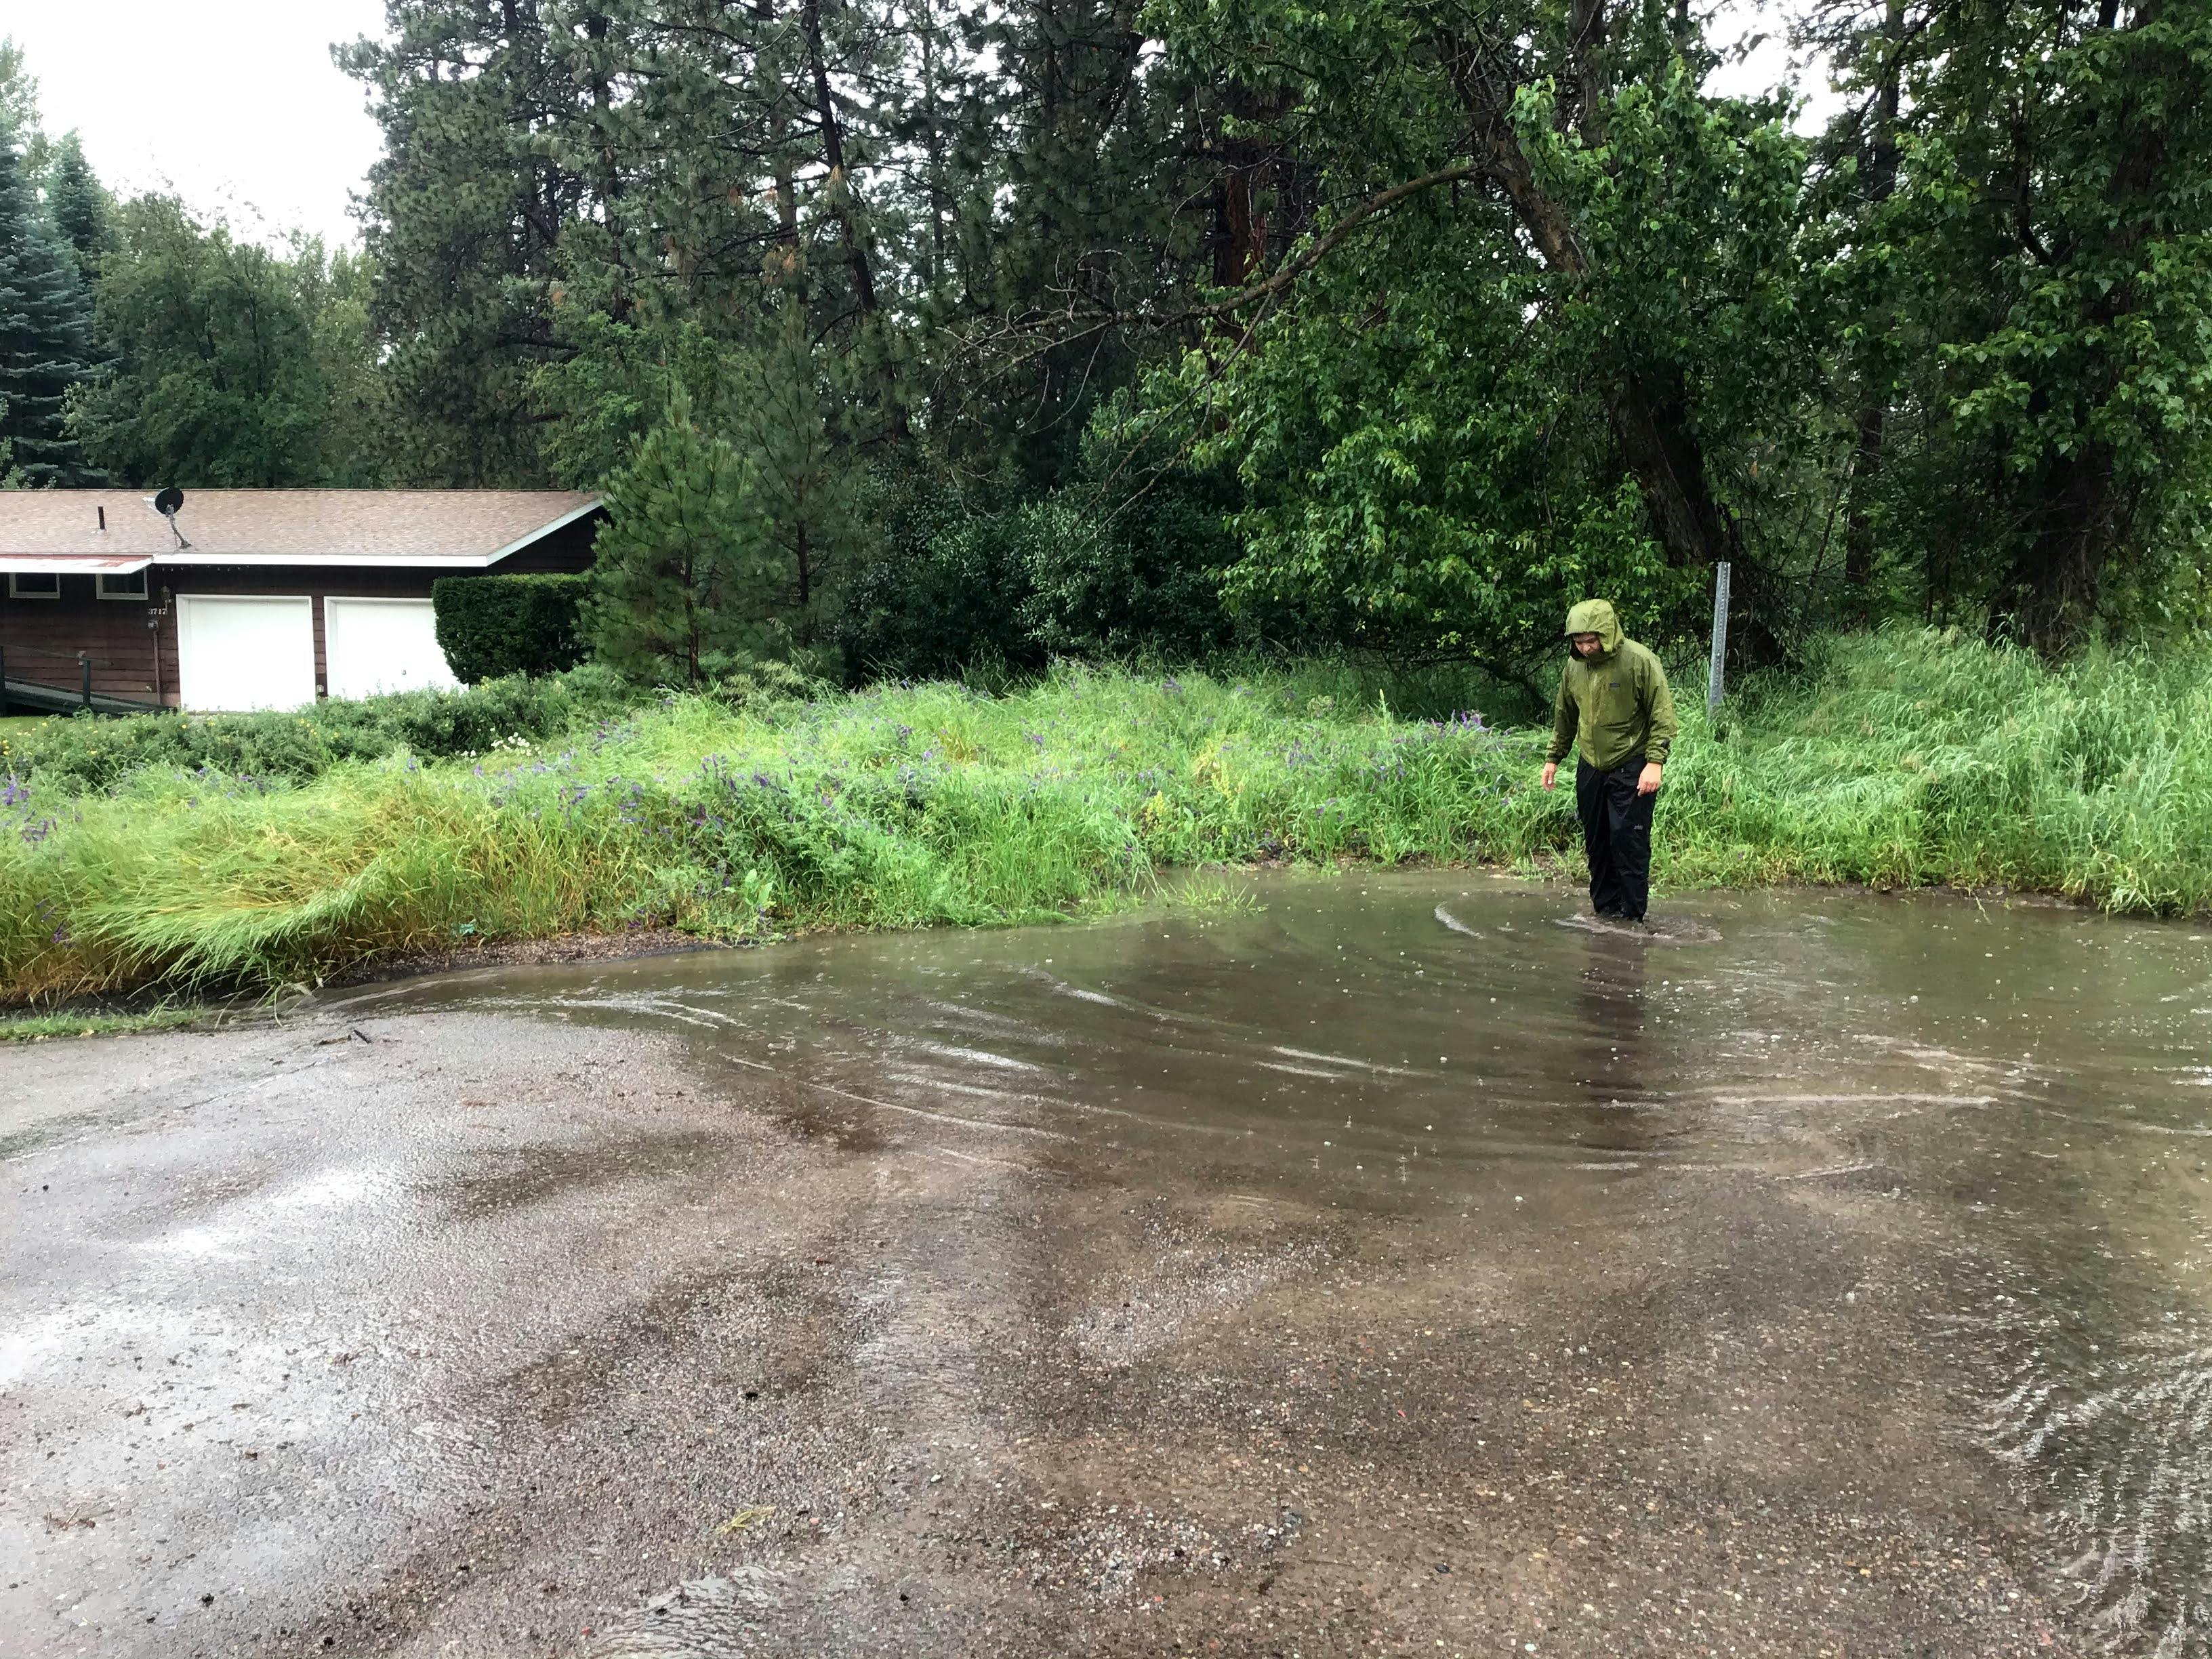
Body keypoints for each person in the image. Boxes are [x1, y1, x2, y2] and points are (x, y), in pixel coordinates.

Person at [1539, 598, 1678, 926]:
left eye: (1592, 640)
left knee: (1628, 842)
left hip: (1633, 763)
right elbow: (1565, 716)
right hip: (1591, 765)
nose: (1586, 648)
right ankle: (1605, 917)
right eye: (1579, 641)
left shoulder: (1639, 661)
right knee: (1597, 842)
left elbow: (1663, 716)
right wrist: (1553, 758)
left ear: (1608, 633)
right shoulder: (1574, 668)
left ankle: (1633, 919)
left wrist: (1655, 762)